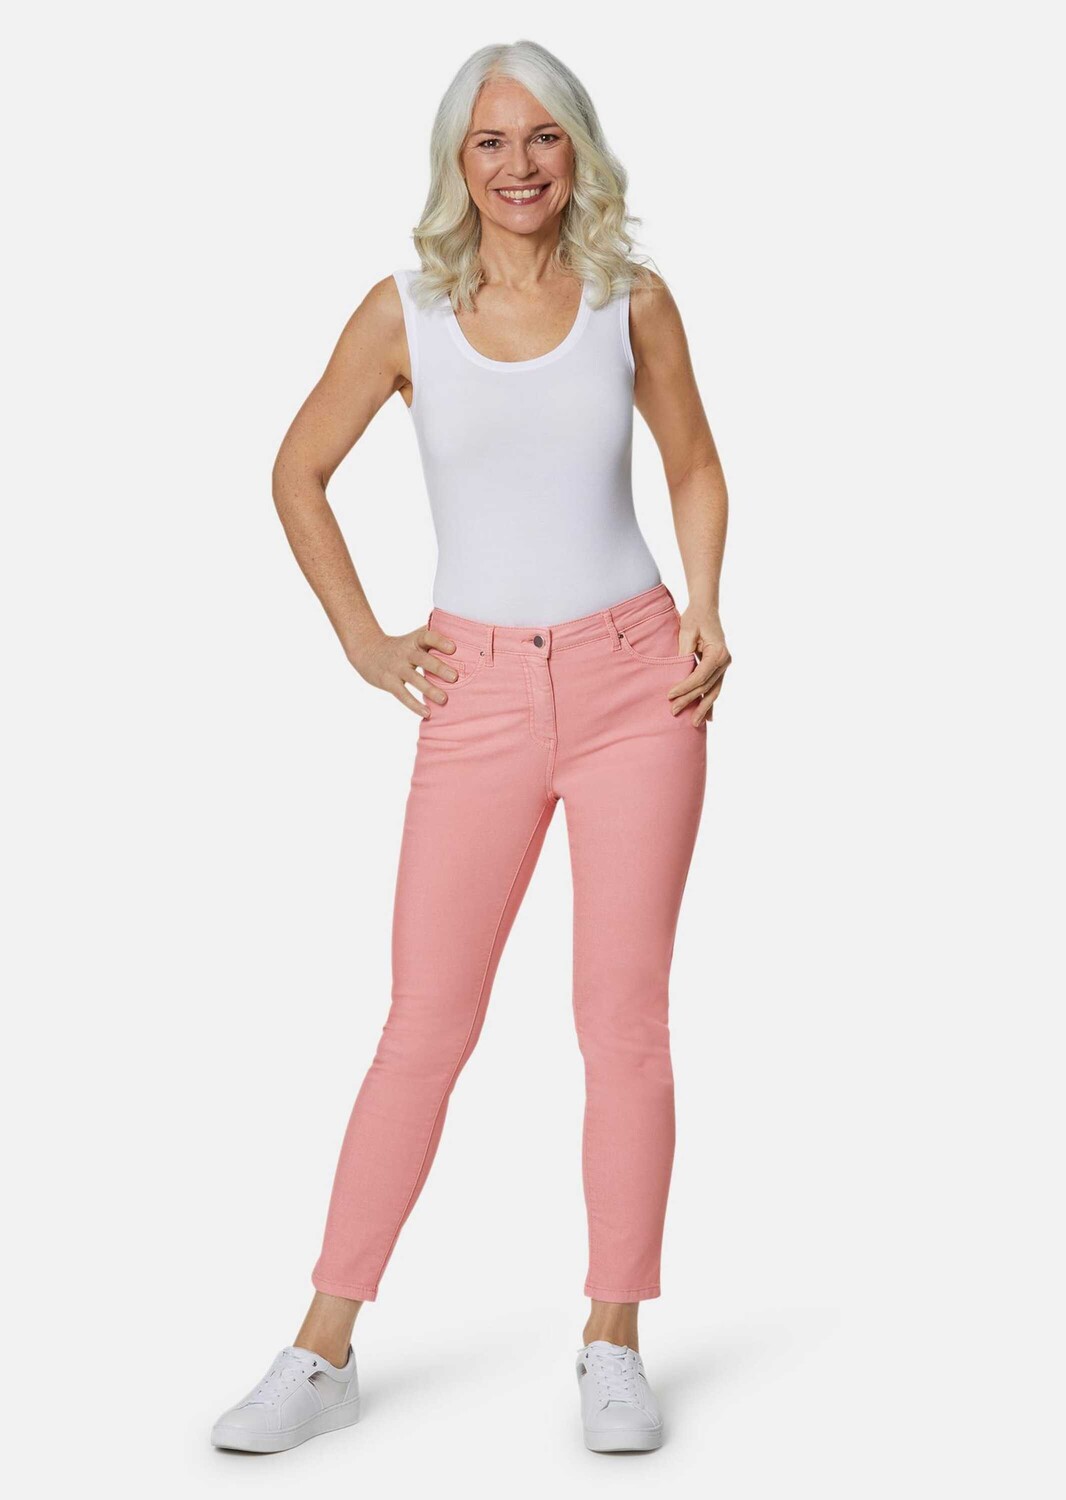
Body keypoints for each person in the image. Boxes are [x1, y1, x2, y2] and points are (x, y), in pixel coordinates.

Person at [210, 37, 731, 1457]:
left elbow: (691, 461)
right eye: (491, 141)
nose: (519, 165)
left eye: (543, 137)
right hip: (476, 698)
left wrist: (707, 605)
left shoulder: (631, 299)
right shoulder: (406, 313)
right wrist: (364, 640)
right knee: (422, 1028)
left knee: (622, 1022)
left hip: (636, 685)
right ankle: (322, 1349)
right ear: (457, 159)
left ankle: (613, 1339)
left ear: (579, 151)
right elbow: (296, 471)